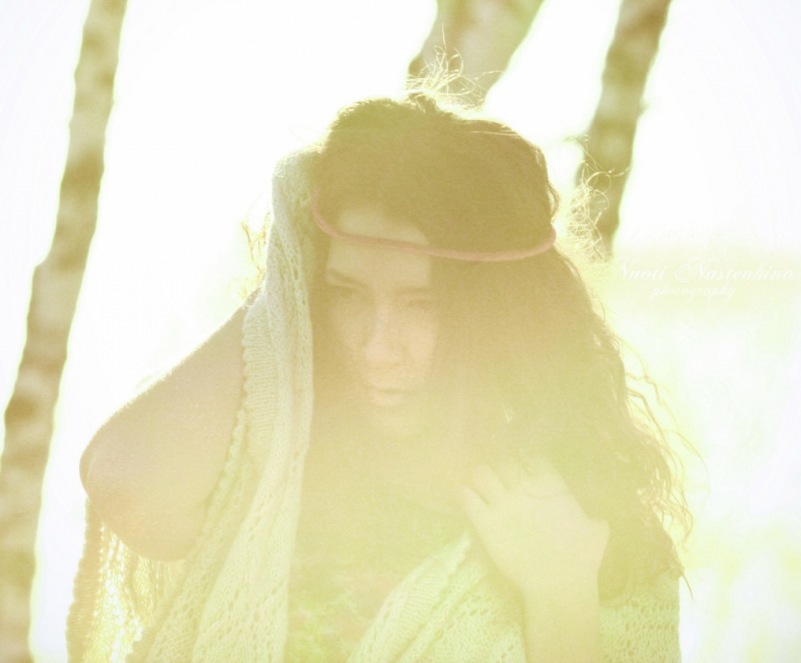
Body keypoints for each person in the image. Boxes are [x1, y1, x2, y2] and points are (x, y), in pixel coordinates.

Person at [68, 93, 689, 662]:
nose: (375, 348)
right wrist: (293, 251)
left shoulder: (594, 525)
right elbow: (124, 482)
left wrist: (561, 592)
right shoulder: (277, 464)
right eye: (346, 292)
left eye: (423, 305)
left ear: (501, 315)